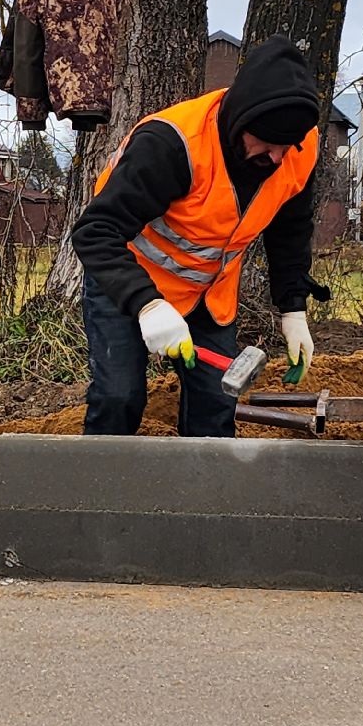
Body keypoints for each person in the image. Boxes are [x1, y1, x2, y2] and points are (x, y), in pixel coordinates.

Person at [72, 34, 329, 437]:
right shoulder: (172, 144)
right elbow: (95, 231)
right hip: (128, 280)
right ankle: (98, 494)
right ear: (241, 121)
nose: (277, 158)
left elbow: (290, 228)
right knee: (118, 398)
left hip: (209, 292)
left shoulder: (297, 146)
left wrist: (293, 308)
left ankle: (202, 495)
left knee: (216, 406)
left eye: (286, 147)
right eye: (266, 144)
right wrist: (147, 306)